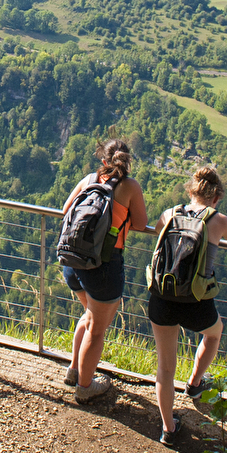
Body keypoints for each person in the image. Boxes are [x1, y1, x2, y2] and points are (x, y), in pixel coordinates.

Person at [150, 164, 227, 445]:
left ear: (190, 191)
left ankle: (169, 429)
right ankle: (194, 383)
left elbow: (157, 230)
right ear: (216, 197)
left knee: (165, 369)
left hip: (162, 295)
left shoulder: (171, 213)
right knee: (214, 332)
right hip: (196, 300)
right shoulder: (219, 220)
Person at [60, 139, 150, 403]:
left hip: (72, 261)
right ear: (128, 161)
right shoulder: (130, 186)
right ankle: (85, 387)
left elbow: (66, 211)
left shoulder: (89, 179)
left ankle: (74, 370)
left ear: (103, 161)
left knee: (90, 315)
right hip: (103, 266)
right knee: (97, 329)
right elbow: (142, 223)